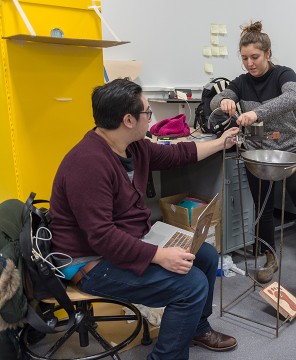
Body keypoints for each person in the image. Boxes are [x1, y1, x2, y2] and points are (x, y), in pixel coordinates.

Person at [50, 78, 240, 360]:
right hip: (90, 262)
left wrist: (221, 142)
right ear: (128, 119)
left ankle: (196, 328)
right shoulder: (87, 164)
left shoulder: (134, 147)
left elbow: (178, 153)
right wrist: (158, 255)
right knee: (191, 286)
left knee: (207, 255)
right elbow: (102, 238)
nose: (150, 120)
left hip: (126, 242)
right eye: (147, 113)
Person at [210, 20, 296, 283]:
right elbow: (217, 99)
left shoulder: (284, 74)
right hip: (257, 155)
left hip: (291, 151)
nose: (250, 63)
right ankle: (269, 257)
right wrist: (225, 99)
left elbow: (292, 98)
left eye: (255, 57)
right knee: (263, 208)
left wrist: (255, 112)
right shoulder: (240, 82)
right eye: (245, 58)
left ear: (268, 54)